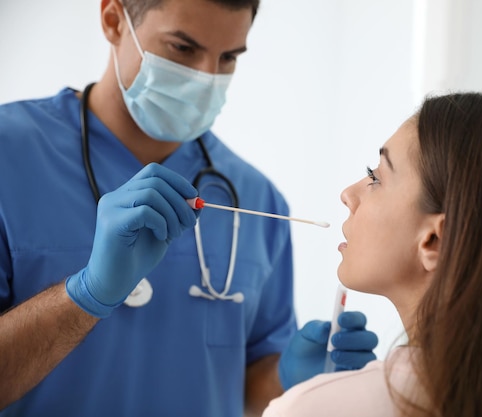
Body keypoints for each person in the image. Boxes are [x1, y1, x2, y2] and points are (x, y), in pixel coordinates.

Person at [0, 0, 378, 415]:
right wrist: (85, 295)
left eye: (228, 57)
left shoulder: (255, 199)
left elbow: (245, 390)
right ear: (112, 20)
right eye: (182, 48)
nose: (206, 76)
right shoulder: (11, 155)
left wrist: (292, 380)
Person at [263, 92, 482, 417]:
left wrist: (312, 399)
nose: (348, 194)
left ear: (434, 240)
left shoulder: (317, 408)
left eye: (375, 177)